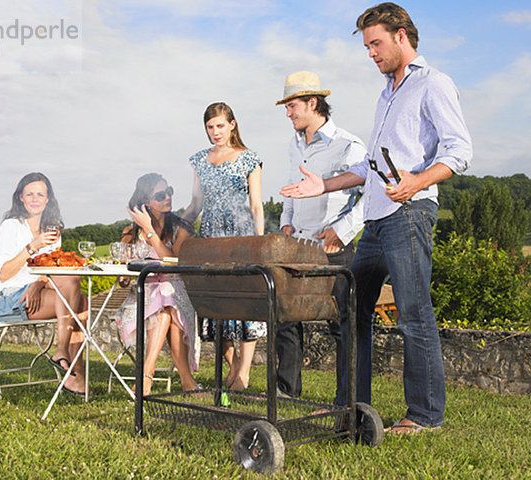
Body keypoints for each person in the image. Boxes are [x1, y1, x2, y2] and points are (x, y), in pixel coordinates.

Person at [281, 2, 472, 433]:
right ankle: (349, 404)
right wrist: (324, 185)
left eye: (376, 44)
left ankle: (424, 415)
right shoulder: (387, 93)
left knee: (412, 313)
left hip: (409, 212)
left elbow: (460, 151)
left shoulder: (434, 84)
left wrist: (417, 181)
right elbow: (370, 166)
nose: (371, 54)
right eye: (367, 46)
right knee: (352, 310)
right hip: (375, 219)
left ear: (401, 35)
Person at [275, 71, 367, 398]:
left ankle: (347, 397)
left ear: (313, 103)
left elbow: (371, 193)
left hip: (333, 250)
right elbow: (291, 188)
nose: (287, 113)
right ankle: (287, 391)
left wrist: (342, 232)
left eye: (292, 106)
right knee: (285, 318)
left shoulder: (348, 145)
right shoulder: (294, 144)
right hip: (298, 245)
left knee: (341, 326)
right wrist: (286, 221)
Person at [0, 172, 89, 396]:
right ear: (20, 197)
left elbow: (51, 270)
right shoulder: (10, 228)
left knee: (76, 289)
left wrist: (38, 284)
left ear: (48, 199)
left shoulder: (51, 230)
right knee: (78, 303)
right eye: (29, 194)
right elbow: (3, 275)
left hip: (36, 293)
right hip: (4, 299)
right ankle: (72, 372)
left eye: (40, 194)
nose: (34, 199)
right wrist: (32, 246)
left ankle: (65, 359)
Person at [183, 102, 265, 391]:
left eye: (220, 125)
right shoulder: (199, 161)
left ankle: (243, 374)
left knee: (243, 306)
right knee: (215, 306)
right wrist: (176, 228)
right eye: (210, 127)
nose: (215, 132)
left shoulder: (249, 159)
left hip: (240, 238)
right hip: (210, 240)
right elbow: (195, 205)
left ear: (232, 124)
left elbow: (256, 206)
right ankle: (232, 367)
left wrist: (258, 244)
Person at [114, 173, 201, 396]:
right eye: (160, 195)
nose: (167, 198)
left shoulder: (181, 228)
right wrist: (124, 277)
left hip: (175, 293)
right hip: (142, 299)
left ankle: (146, 375)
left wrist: (150, 232)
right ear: (146, 203)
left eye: (169, 191)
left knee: (167, 303)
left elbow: (171, 260)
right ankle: (187, 381)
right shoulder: (130, 233)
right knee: (165, 306)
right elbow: (123, 279)